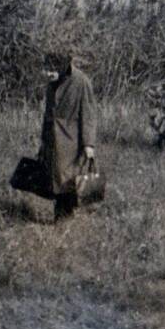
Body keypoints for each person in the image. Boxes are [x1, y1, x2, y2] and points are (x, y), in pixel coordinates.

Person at [39, 49, 97, 220]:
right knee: (55, 179)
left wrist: (89, 144)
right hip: (53, 138)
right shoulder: (53, 82)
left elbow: (89, 114)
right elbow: (48, 113)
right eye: (47, 68)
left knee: (68, 180)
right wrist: (43, 140)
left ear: (64, 66)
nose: (49, 73)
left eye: (52, 69)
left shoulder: (81, 81)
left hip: (71, 140)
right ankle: (62, 215)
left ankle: (65, 217)